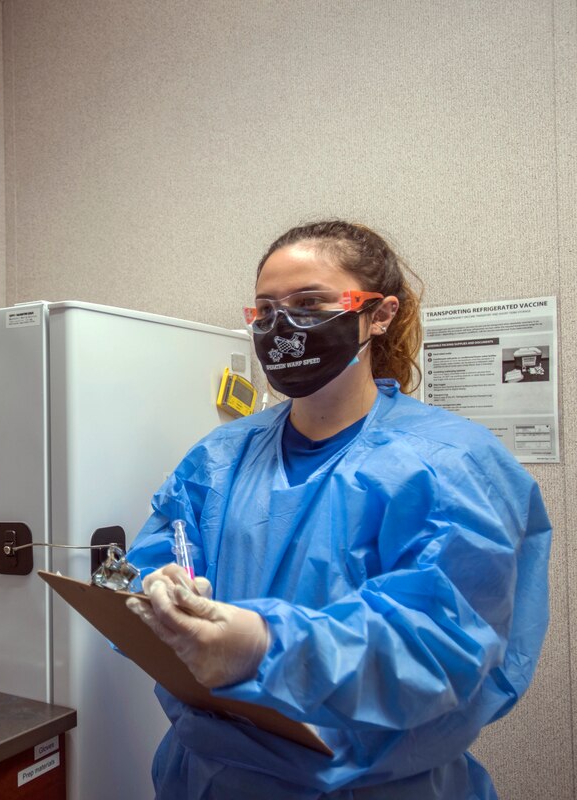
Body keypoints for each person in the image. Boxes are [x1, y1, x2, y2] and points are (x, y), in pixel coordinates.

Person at [125, 220, 551, 798]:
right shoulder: (219, 457)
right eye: (265, 311)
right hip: (211, 775)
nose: (282, 327)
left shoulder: (453, 464)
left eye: (309, 303)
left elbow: (439, 643)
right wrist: (159, 587)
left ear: (379, 315)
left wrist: (265, 644)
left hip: (377, 783)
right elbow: (153, 560)